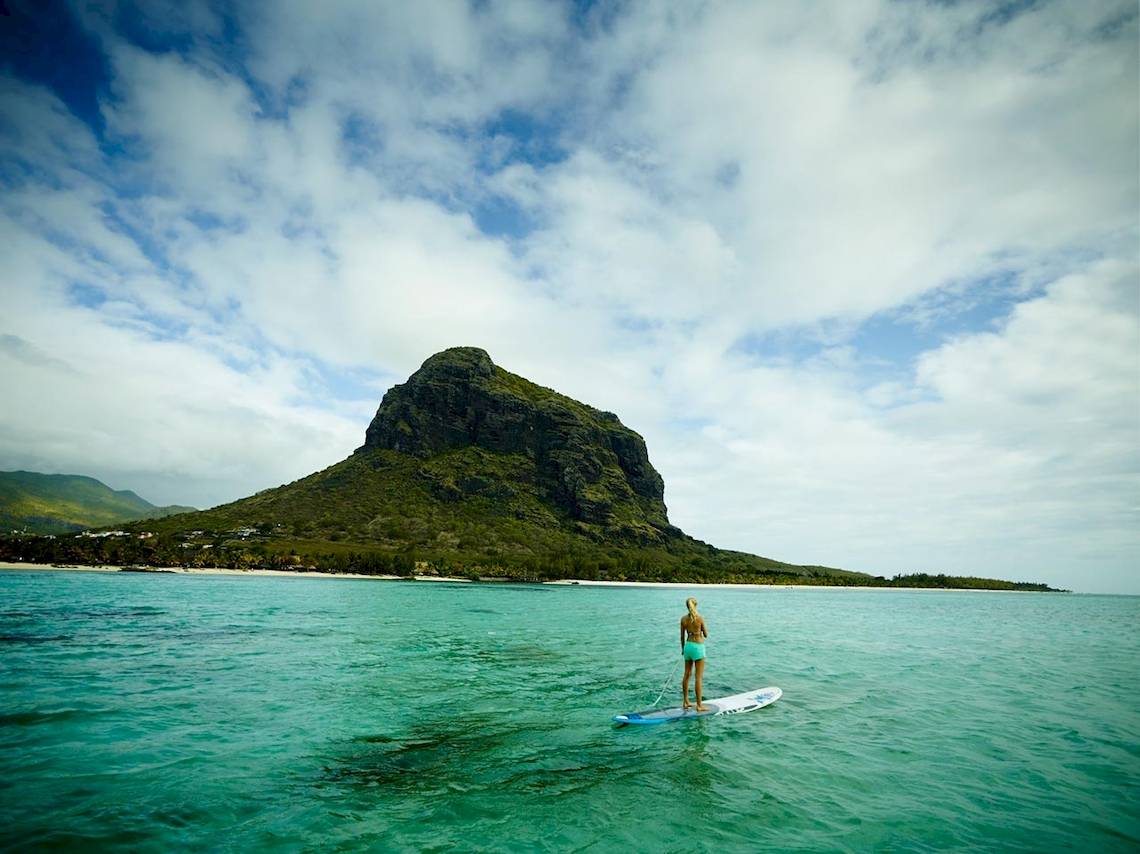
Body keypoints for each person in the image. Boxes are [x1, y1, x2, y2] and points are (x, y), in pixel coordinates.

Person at [680, 597, 709, 711]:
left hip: (687, 647)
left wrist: (683, 649)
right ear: (695, 606)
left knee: (686, 674)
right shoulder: (700, 618)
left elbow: (682, 637)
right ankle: (699, 705)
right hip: (698, 647)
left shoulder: (683, 619)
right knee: (698, 677)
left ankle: (686, 701)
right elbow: (706, 634)